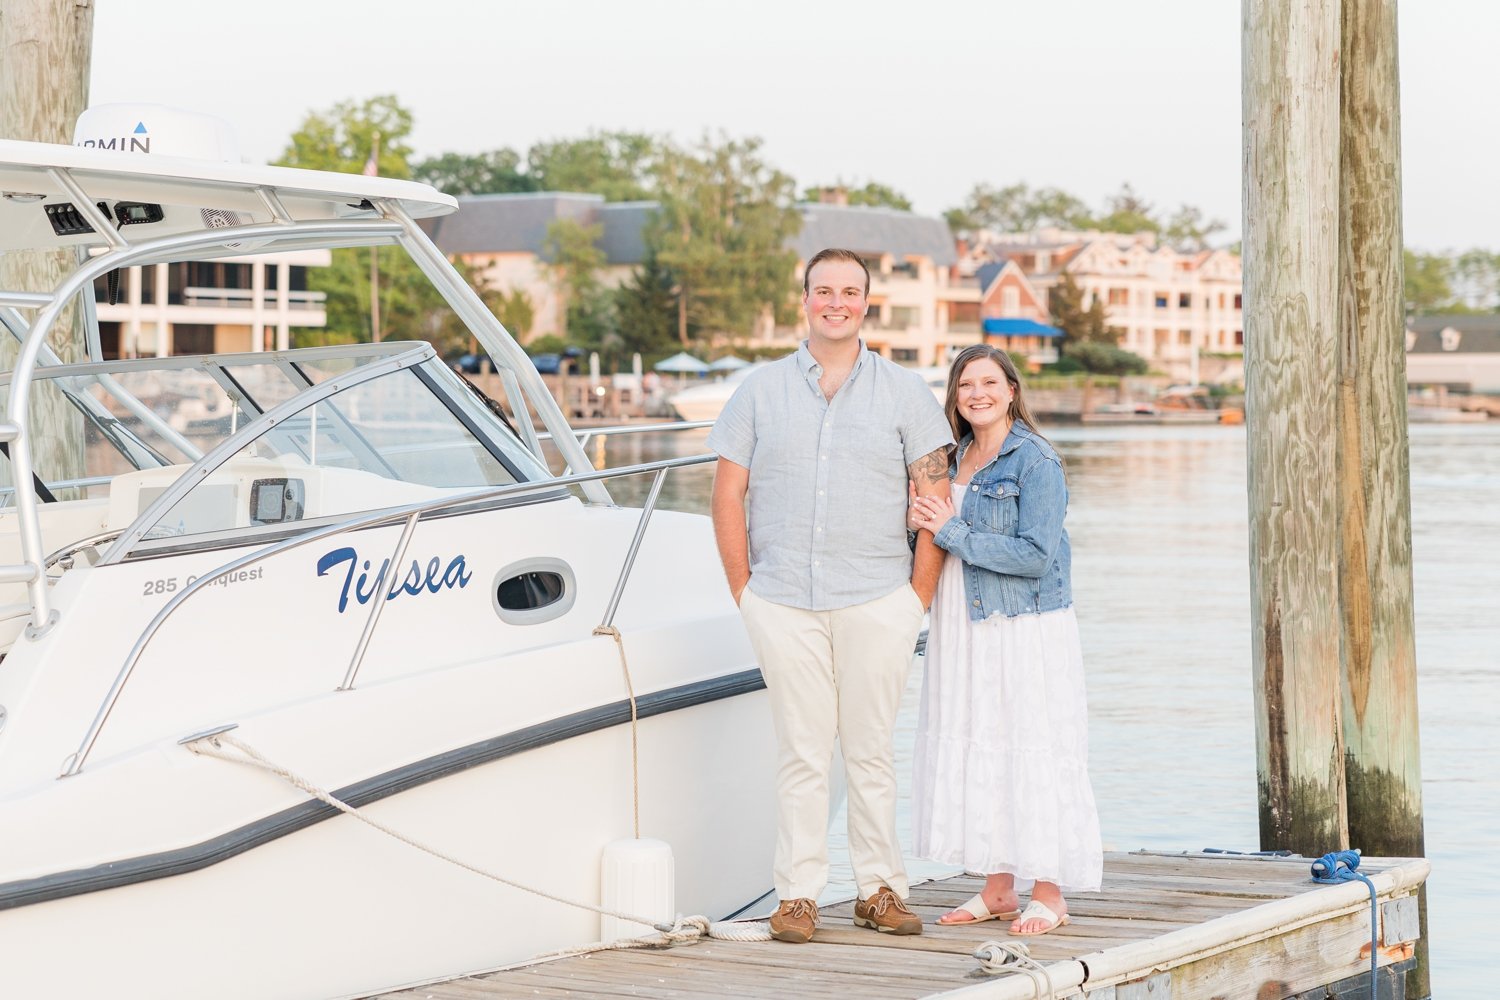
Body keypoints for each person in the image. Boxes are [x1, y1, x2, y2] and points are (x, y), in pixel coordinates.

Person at [707, 248, 954, 944]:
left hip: (879, 597)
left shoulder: (905, 392)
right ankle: (798, 897)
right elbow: (727, 494)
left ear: (866, 304)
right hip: (781, 601)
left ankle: (879, 891)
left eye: (850, 292)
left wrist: (917, 598)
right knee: (802, 754)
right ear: (806, 300)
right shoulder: (757, 391)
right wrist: (743, 591)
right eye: (824, 291)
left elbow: (934, 496)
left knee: (871, 752)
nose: (836, 302)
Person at [906, 343, 1102, 936]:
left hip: (1023, 627)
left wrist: (951, 530)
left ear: (1012, 390)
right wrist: (921, 523)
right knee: (982, 740)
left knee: (1032, 742)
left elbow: (1037, 556)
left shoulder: (1036, 460)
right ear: (955, 396)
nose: (978, 394)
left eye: (989, 382)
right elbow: (934, 532)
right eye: (966, 385)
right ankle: (997, 889)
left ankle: (1049, 892)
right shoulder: (953, 456)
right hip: (963, 625)